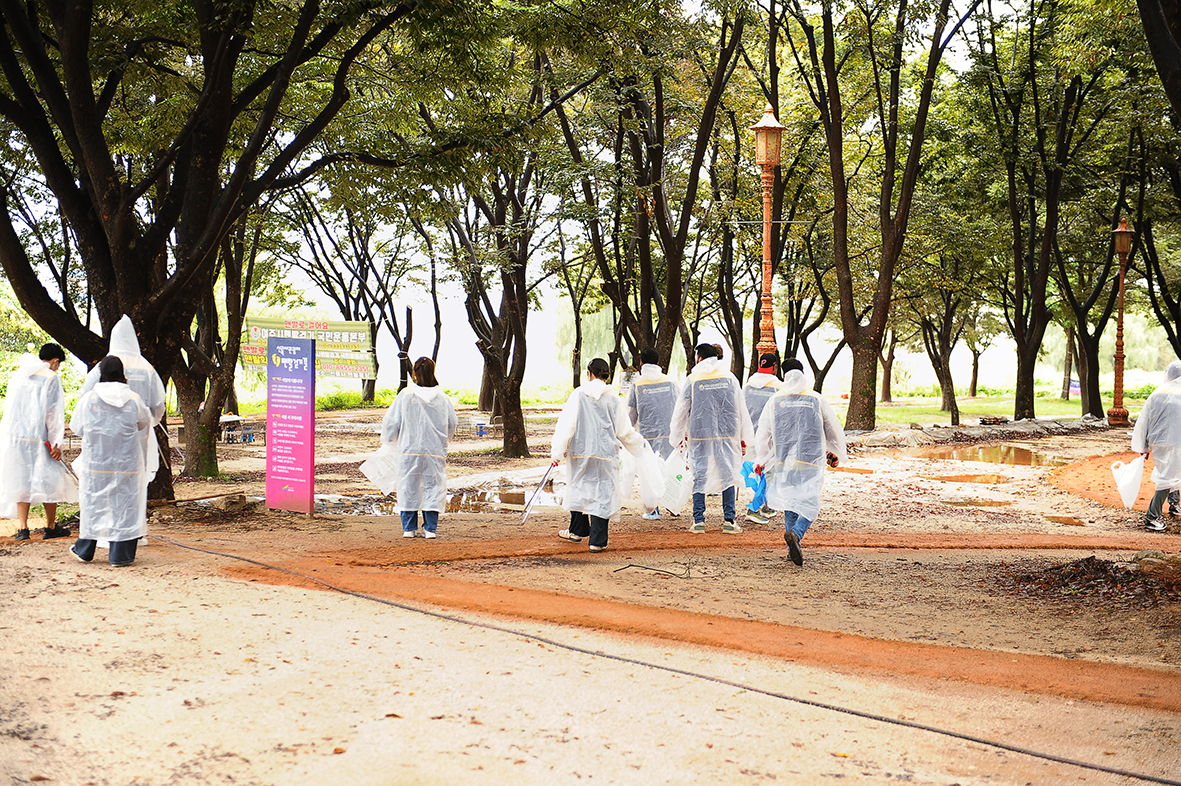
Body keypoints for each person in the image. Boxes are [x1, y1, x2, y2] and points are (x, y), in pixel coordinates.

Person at [753, 358, 847, 566]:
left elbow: (764, 433)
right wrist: (834, 452)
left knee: (790, 503)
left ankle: (791, 549)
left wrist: (762, 459)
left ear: (783, 375)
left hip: (784, 462)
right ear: (803, 373)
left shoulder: (775, 400)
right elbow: (831, 428)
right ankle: (796, 533)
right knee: (811, 503)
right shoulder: (816, 399)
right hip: (810, 462)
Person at [552, 358, 649, 552]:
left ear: (589, 374)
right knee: (603, 493)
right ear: (607, 375)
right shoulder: (613, 399)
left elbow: (566, 426)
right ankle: (597, 541)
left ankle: (577, 530)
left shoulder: (578, 395)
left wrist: (558, 451)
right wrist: (639, 446)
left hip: (580, 453)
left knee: (578, 487)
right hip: (605, 454)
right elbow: (624, 431)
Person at [69, 356, 152, 566]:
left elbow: (76, 427)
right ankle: (120, 555)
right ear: (123, 374)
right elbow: (143, 422)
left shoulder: (89, 399)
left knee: (93, 504)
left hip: (96, 462)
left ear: (101, 374)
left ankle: (85, 550)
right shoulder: (133, 399)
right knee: (125, 506)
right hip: (126, 463)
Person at [669, 343, 754, 534]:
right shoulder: (730, 378)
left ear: (699, 358)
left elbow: (681, 410)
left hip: (700, 436)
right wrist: (743, 437)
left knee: (699, 474)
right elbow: (740, 409)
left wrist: (676, 437)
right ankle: (729, 521)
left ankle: (699, 521)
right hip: (727, 435)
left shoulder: (693, 380)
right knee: (727, 474)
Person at [78, 315, 167, 490]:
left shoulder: (103, 366)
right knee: (133, 483)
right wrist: (151, 422)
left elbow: (84, 397)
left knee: (103, 481)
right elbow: (158, 404)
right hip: (137, 435)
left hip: (103, 436)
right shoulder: (146, 368)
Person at [0, 343, 77, 540]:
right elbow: (53, 413)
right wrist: (56, 443)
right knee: (50, 479)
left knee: (21, 479)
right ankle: (50, 526)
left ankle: (23, 528)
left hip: (16, 437)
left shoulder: (18, 376)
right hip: (40, 438)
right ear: (55, 361)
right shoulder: (51, 377)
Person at [382, 357, 458, 539]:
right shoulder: (442, 398)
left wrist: (390, 440)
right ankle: (430, 529)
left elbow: (392, 422)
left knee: (408, 486)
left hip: (409, 449)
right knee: (433, 487)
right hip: (435, 451)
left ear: (414, 373)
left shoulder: (406, 396)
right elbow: (452, 423)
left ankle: (409, 528)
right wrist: (443, 440)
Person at [627, 348, 678, 520]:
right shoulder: (670, 382)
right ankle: (672, 504)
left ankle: (652, 510)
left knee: (649, 473)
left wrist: (627, 434)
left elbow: (632, 413)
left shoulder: (637, 384)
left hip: (647, 437)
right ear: (658, 363)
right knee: (670, 469)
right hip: (669, 434)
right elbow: (679, 408)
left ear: (641, 363)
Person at [1132, 360, 1181, 532]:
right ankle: (1152, 518)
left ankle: (1174, 505)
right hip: (1176, 442)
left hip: (1159, 442)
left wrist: (1143, 446)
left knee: (1170, 471)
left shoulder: (1157, 394)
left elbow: (1144, 422)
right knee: (1167, 476)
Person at [743, 352, 782, 525]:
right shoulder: (778, 388)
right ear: (774, 367)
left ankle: (767, 505)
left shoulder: (747, 386)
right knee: (768, 473)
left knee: (758, 471)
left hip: (750, 436)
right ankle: (753, 509)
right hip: (768, 438)